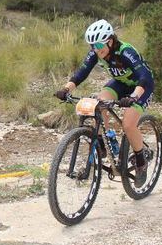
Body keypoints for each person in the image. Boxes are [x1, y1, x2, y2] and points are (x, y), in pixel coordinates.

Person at [55, 19, 154, 187]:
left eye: (99, 46)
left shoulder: (125, 51)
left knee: (128, 125)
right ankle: (107, 142)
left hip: (141, 86)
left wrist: (134, 97)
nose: (95, 50)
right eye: (92, 46)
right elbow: (82, 72)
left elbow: (144, 76)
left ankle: (140, 160)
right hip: (120, 83)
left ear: (110, 41)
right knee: (98, 104)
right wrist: (66, 89)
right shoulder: (96, 52)